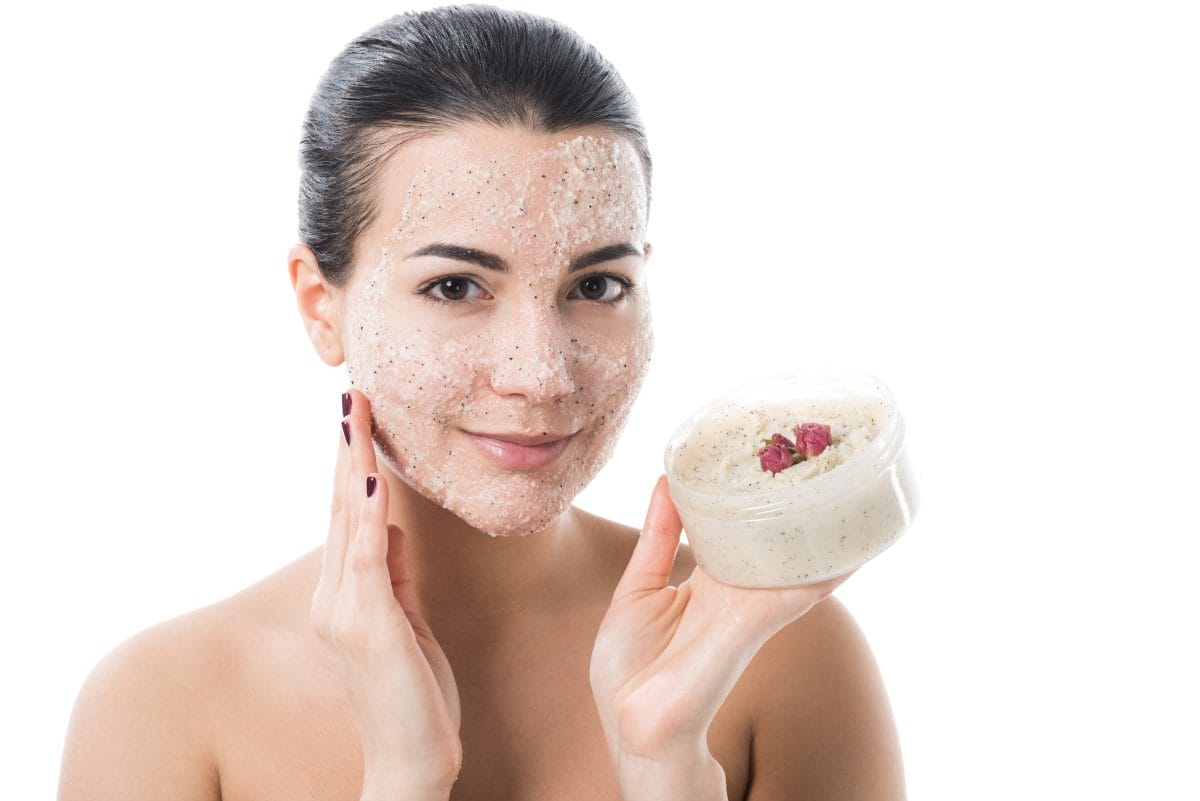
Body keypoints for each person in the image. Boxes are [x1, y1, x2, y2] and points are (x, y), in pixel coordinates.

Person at [57, 6, 904, 800]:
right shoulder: (161, 708)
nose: (541, 373)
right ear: (322, 305)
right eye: (456, 285)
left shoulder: (782, 660)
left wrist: (667, 766)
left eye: (598, 283)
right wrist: (403, 772)